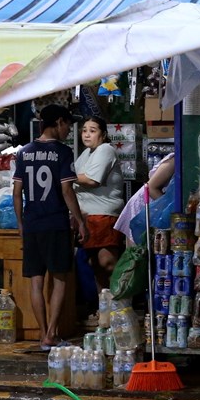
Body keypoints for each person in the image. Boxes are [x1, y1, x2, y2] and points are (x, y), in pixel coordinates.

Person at [13, 104, 89, 350]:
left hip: (33, 224)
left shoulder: (23, 153)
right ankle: (51, 336)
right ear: (58, 122)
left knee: (36, 281)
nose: (69, 130)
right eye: (68, 124)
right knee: (60, 280)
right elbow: (67, 190)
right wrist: (79, 220)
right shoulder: (63, 152)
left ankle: (42, 333)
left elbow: (17, 193)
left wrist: (21, 224)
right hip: (55, 223)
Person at [73, 116, 125, 293]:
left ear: (102, 135)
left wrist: (62, 175)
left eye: (92, 131)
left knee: (107, 263)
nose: (87, 134)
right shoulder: (85, 154)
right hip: (87, 216)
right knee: (94, 264)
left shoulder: (105, 149)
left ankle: (120, 306)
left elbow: (91, 180)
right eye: (84, 130)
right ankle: (104, 309)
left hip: (104, 214)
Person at [114, 152, 175, 245]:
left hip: (158, 209)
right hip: (145, 206)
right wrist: (168, 213)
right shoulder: (174, 160)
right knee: (139, 252)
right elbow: (151, 187)